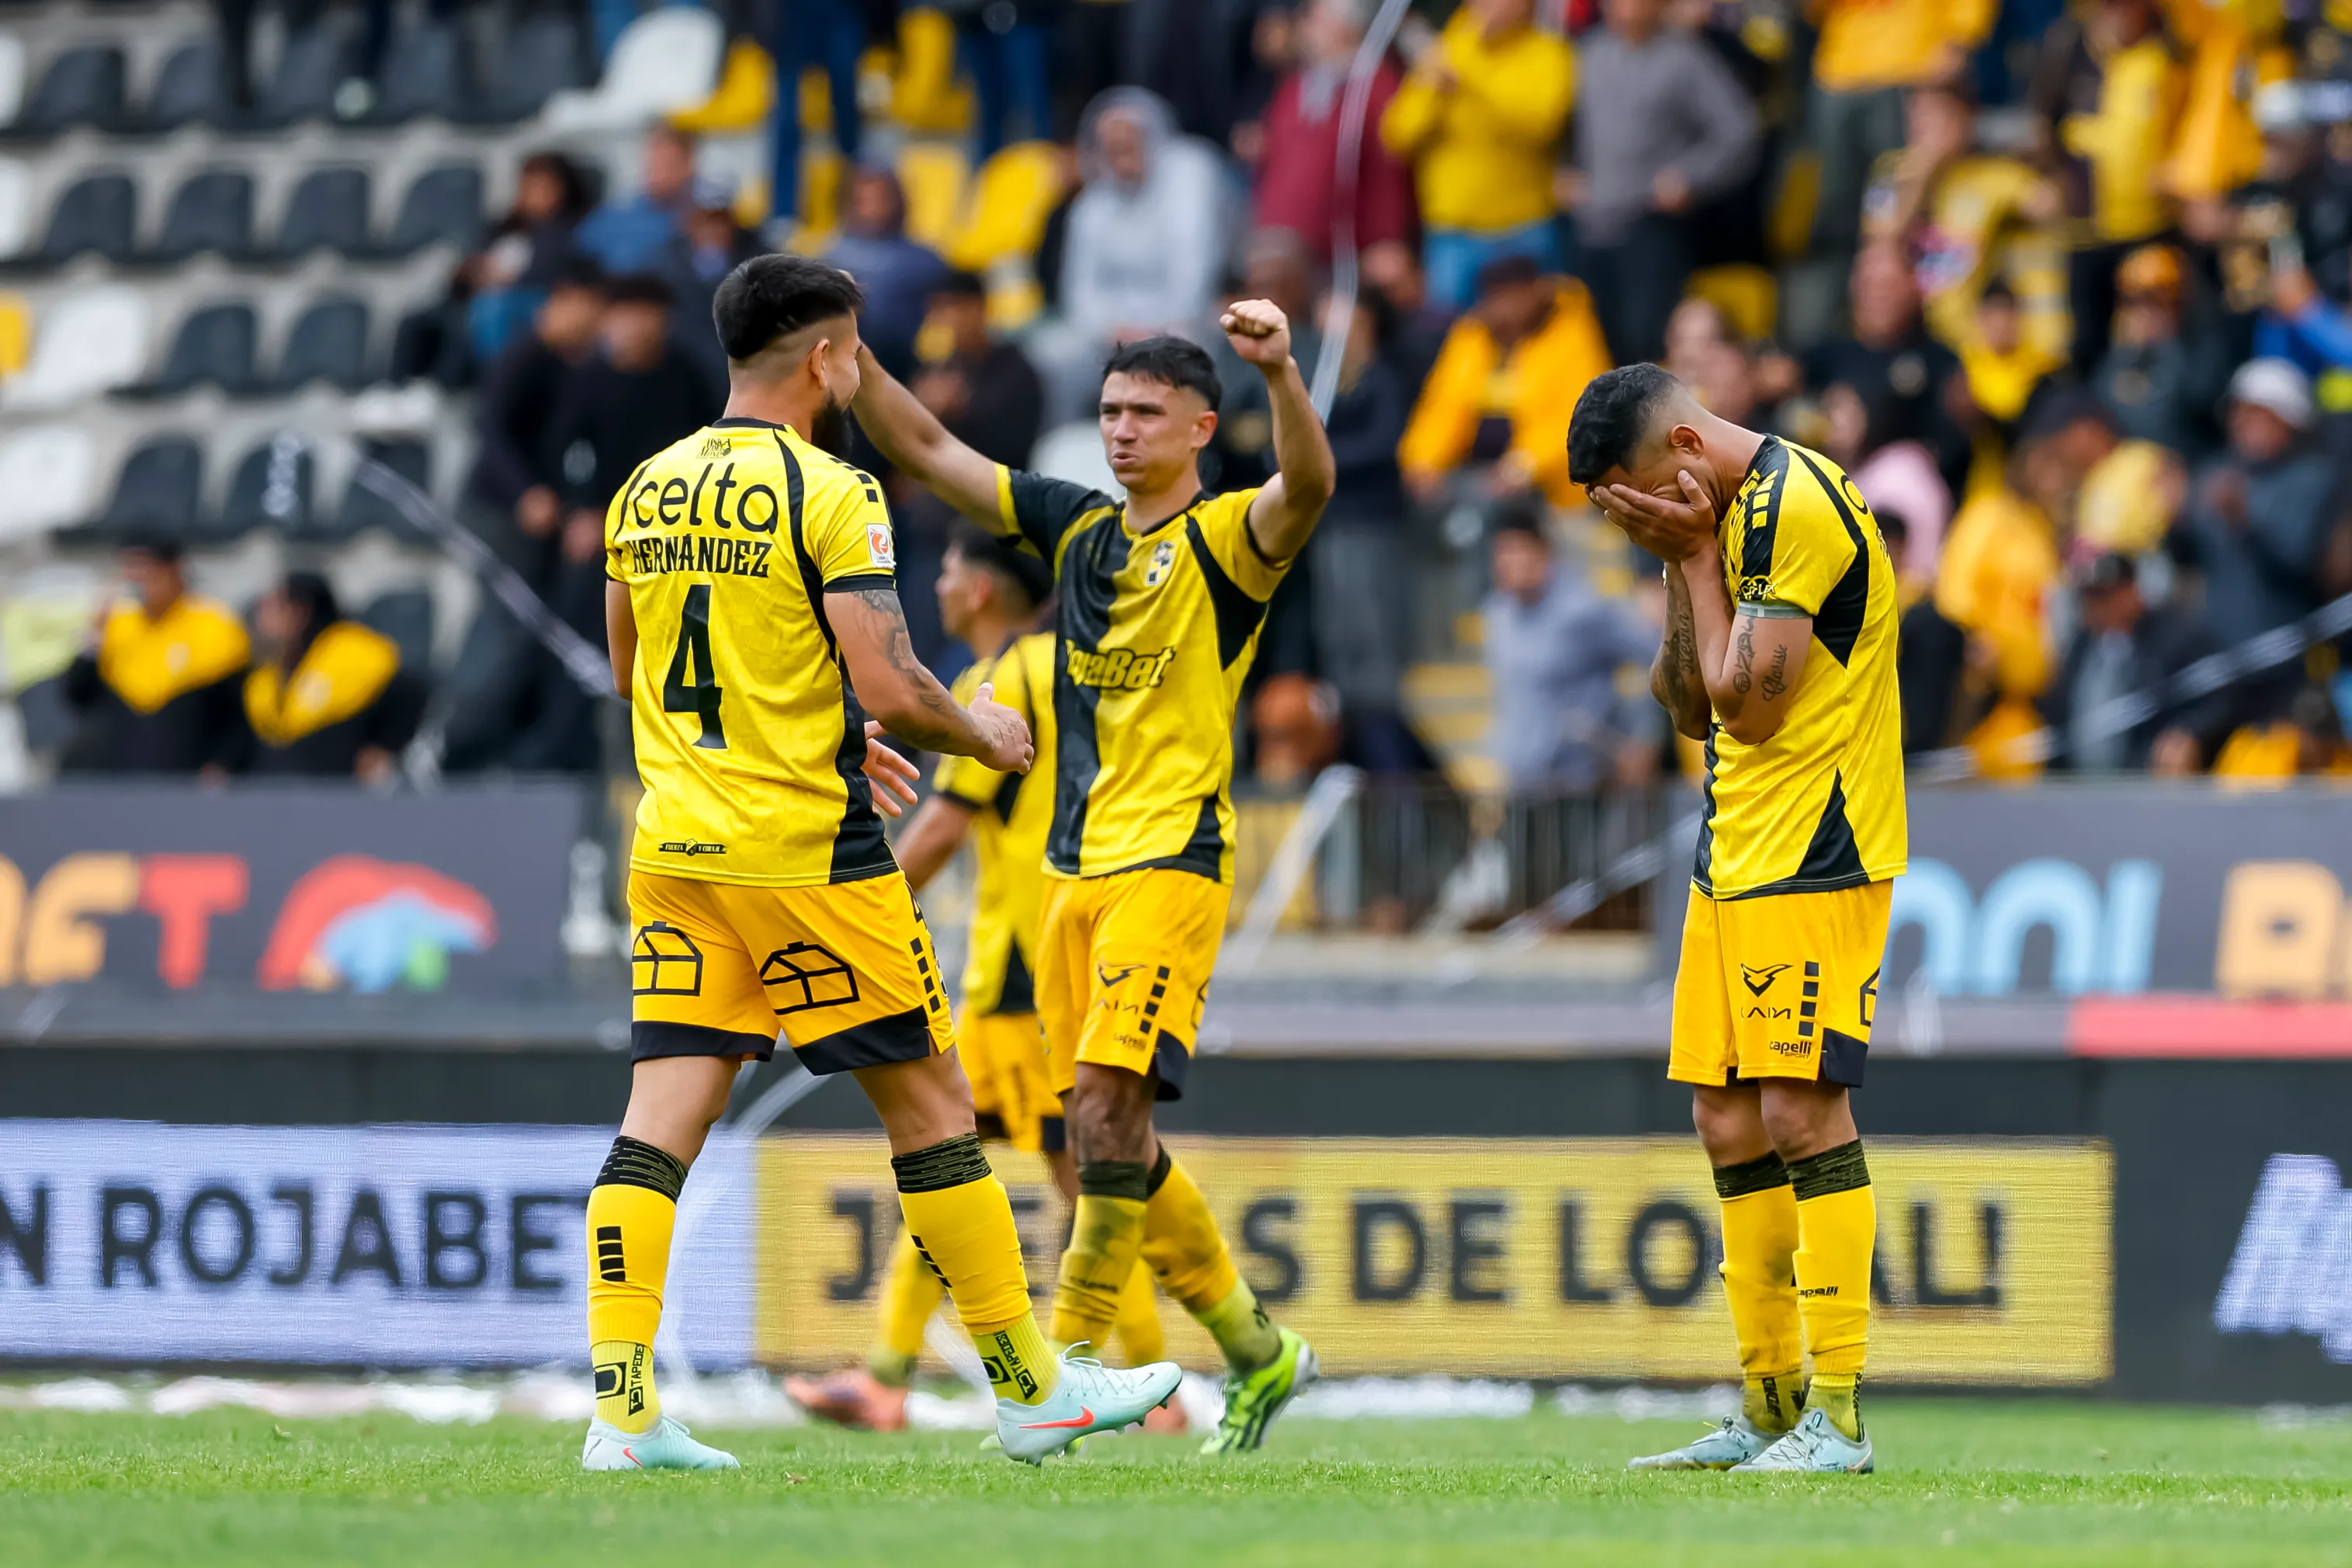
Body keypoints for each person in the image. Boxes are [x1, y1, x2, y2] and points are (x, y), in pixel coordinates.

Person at [585, 253, 1181, 1473]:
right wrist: (982, 730)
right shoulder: (830, 489)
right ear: (824, 359)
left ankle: (620, 1409)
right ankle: (1027, 1389)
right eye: (853, 350)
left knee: (658, 1125)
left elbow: (633, 660)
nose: (857, 369)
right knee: (932, 1112)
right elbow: (894, 681)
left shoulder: (645, 485)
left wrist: (795, 715)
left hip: (677, 845)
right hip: (808, 850)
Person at [850, 300, 1337, 1455]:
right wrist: (847, 354)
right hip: (1072, 877)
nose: (1119, 432)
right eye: (1110, 411)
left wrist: (1282, 377)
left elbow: (1305, 488)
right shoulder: (1074, 533)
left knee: (1111, 1111)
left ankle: (1061, 1371)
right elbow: (927, 449)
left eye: (1145, 414)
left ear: (1200, 427)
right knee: (1100, 1142)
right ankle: (1257, 1350)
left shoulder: (1226, 543)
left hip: (1171, 863)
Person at [1573, 362, 1904, 1474]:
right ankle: (1768, 1404)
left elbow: (1749, 712)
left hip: (1817, 847)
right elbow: (1684, 704)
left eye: (1632, 494)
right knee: (1726, 1123)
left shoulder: (1794, 505)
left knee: (1803, 1117)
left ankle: (1840, 1417)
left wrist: (1695, 556)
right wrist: (1687, 566)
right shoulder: (1721, 521)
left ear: (1677, 451)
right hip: (1730, 857)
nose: (1636, 520)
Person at [786, 522, 1174, 1433]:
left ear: (990, 590)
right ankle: (886, 1374)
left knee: (1005, 1165)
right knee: (972, 1167)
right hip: (1077, 946)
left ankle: (1159, 1388)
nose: (942, 587)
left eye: (953, 571)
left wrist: (857, 909)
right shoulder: (1089, 665)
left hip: (1020, 970)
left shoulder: (998, 681)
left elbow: (945, 827)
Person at [1560, 0, 1758, 365]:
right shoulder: (1585, 54)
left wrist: (1691, 177)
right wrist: (1562, 173)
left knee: (1643, 351)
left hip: (1647, 225)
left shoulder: (1685, 58)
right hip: (1589, 228)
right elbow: (1552, 125)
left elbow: (1739, 131)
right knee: (1589, 353)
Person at [1379, 0, 1574, 310]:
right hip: (1453, 235)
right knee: (1448, 339)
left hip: (1523, 229)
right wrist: (1434, 89)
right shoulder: (1449, 49)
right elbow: (1398, 134)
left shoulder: (1548, 53)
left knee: (1533, 339)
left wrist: (1467, 81)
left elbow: (1541, 125)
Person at [1398, 255, 1611, 512]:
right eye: (1498, 298)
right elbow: (1443, 405)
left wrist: (1524, 465)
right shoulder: (1471, 336)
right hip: (1480, 477)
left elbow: (1579, 419)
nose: (1507, 308)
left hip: (1551, 488)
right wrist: (1423, 461)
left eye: (1515, 297)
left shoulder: (1571, 335)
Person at [1483, 511, 1659, 794]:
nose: (1508, 562)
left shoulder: (1583, 610)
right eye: (1502, 552)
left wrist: (1643, 738)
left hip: (1579, 786)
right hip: (1520, 783)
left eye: (1517, 550)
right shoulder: (1498, 613)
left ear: (1543, 552)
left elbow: (1657, 657)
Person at [61, 536, 250, 776]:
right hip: (121, 775)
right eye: (131, 570)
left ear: (174, 569)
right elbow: (79, 697)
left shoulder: (215, 625)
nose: (138, 580)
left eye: (147, 568)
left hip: (188, 775)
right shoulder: (118, 625)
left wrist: (224, 762)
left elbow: (236, 713)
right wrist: (93, 638)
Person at [1251, 0, 1417, 265]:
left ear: (1347, 28)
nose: (1304, 28)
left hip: (1340, 254)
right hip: (1282, 244)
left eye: (1315, 20)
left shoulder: (1376, 89)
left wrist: (1386, 238)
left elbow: (1387, 174)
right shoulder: (1295, 84)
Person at [2038, 553, 2227, 774]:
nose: (2095, 607)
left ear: (2131, 592)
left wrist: (2188, 732)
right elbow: (2056, 711)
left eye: (2104, 597)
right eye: (2088, 598)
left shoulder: (2173, 639)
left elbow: (2217, 697)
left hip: (2144, 783)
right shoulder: (2082, 646)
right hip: (2079, 786)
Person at [234, 573, 425, 782]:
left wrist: (383, 746)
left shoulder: (352, 652)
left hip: (339, 794)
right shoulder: (266, 671)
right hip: (277, 794)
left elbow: (411, 692)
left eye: (272, 608)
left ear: (300, 613)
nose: (260, 618)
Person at [824, 167, 951, 379]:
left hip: (910, 368)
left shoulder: (926, 261)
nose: (873, 210)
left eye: (881, 200)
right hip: (845, 366)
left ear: (898, 202)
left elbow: (945, 319)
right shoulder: (830, 259)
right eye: (864, 201)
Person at [576, 127, 700, 277]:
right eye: (653, 164)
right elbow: (580, 248)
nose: (658, 174)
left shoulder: (698, 218)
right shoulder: (620, 210)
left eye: (668, 166)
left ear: (688, 165)